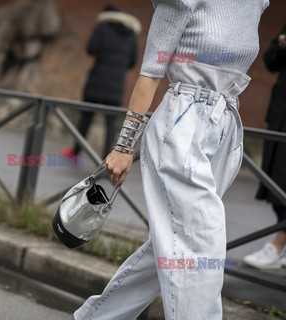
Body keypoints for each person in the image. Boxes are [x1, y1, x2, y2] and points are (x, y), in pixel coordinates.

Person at [73, 1, 269, 319]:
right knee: (202, 241)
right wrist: (124, 147)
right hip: (183, 122)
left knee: (172, 241)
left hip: (225, 127)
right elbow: (149, 73)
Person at [62, 5, 140, 159]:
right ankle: (106, 158)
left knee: (86, 117)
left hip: (97, 81)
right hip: (116, 84)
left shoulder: (102, 28)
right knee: (110, 123)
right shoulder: (131, 34)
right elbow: (132, 61)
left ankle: (75, 152)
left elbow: (91, 49)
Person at [244, 24, 286, 270]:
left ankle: (277, 245)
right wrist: (281, 44)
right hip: (280, 114)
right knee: (276, 178)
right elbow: (269, 61)